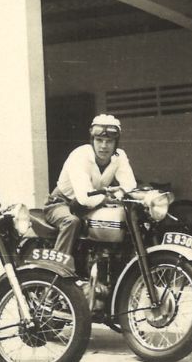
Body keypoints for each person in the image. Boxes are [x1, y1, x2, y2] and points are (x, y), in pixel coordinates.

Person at [43, 114, 137, 269]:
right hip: (61, 203)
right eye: (99, 140)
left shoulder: (120, 157)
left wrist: (118, 194)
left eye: (109, 141)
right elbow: (84, 197)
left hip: (95, 204)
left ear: (116, 143)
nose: (104, 146)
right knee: (71, 222)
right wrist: (109, 196)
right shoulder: (80, 155)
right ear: (92, 140)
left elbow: (130, 185)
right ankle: (57, 272)